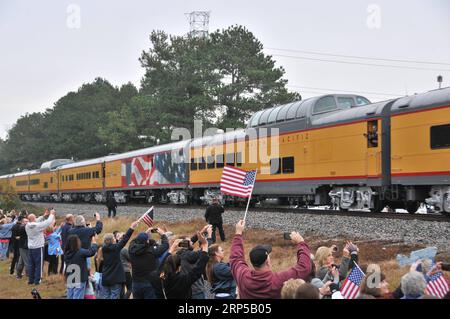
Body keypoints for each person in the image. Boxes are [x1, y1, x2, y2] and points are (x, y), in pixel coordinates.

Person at [230, 220, 311, 299]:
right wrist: (301, 243)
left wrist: (238, 233)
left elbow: (236, 258)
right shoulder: (278, 281)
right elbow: (304, 267)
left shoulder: (243, 276)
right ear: (267, 262)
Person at [152, 233, 209, 299]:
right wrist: (205, 245)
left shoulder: (159, 278)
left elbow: (160, 267)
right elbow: (198, 269)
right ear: (179, 267)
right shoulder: (182, 280)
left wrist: (172, 249)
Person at [100, 219, 139, 299]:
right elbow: (125, 240)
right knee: (114, 296)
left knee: (106, 296)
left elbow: (112, 243)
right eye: (114, 239)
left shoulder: (103, 249)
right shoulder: (116, 248)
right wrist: (131, 228)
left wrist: (120, 238)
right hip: (115, 278)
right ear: (112, 241)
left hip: (106, 277)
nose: (115, 239)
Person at [128, 227, 169, 299]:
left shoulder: (131, 250)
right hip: (149, 283)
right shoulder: (152, 251)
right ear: (147, 241)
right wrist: (163, 235)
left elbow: (133, 241)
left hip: (136, 283)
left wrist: (144, 234)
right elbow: (165, 245)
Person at [25, 209, 55, 285]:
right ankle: (37, 280)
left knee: (31, 264)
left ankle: (31, 280)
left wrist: (43, 216)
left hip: (31, 247)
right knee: (39, 264)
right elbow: (47, 222)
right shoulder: (37, 226)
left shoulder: (27, 226)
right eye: (35, 217)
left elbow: (35, 221)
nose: (36, 218)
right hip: (38, 247)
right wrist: (51, 214)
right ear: (33, 219)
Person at [64, 234, 98, 299]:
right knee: (78, 296)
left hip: (70, 276)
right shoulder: (80, 252)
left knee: (70, 296)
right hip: (79, 277)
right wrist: (94, 243)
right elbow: (91, 252)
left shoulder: (66, 253)